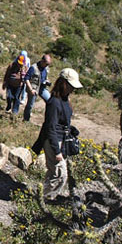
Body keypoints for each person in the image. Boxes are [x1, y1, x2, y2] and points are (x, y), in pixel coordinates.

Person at [32, 68, 82, 200]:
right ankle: (44, 199)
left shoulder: (65, 99)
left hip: (61, 139)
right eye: (71, 86)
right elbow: (51, 128)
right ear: (64, 83)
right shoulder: (54, 102)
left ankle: (42, 196)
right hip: (54, 141)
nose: (73, 89)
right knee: (61, 175)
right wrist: (57, 151)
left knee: (54, 172)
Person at [16, 54, 52, 121]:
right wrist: (31, 89)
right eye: (46, 64)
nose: (47, 66)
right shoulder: (33, 68)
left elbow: (45, 77)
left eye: (48, 64)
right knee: (30, 105)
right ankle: (26, 119)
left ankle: (49, 119)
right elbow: (26, 79)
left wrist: (47, 81)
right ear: (42, 61)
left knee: (50, 101)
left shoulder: (46, 68)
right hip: (34, 88)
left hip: (42, 88)